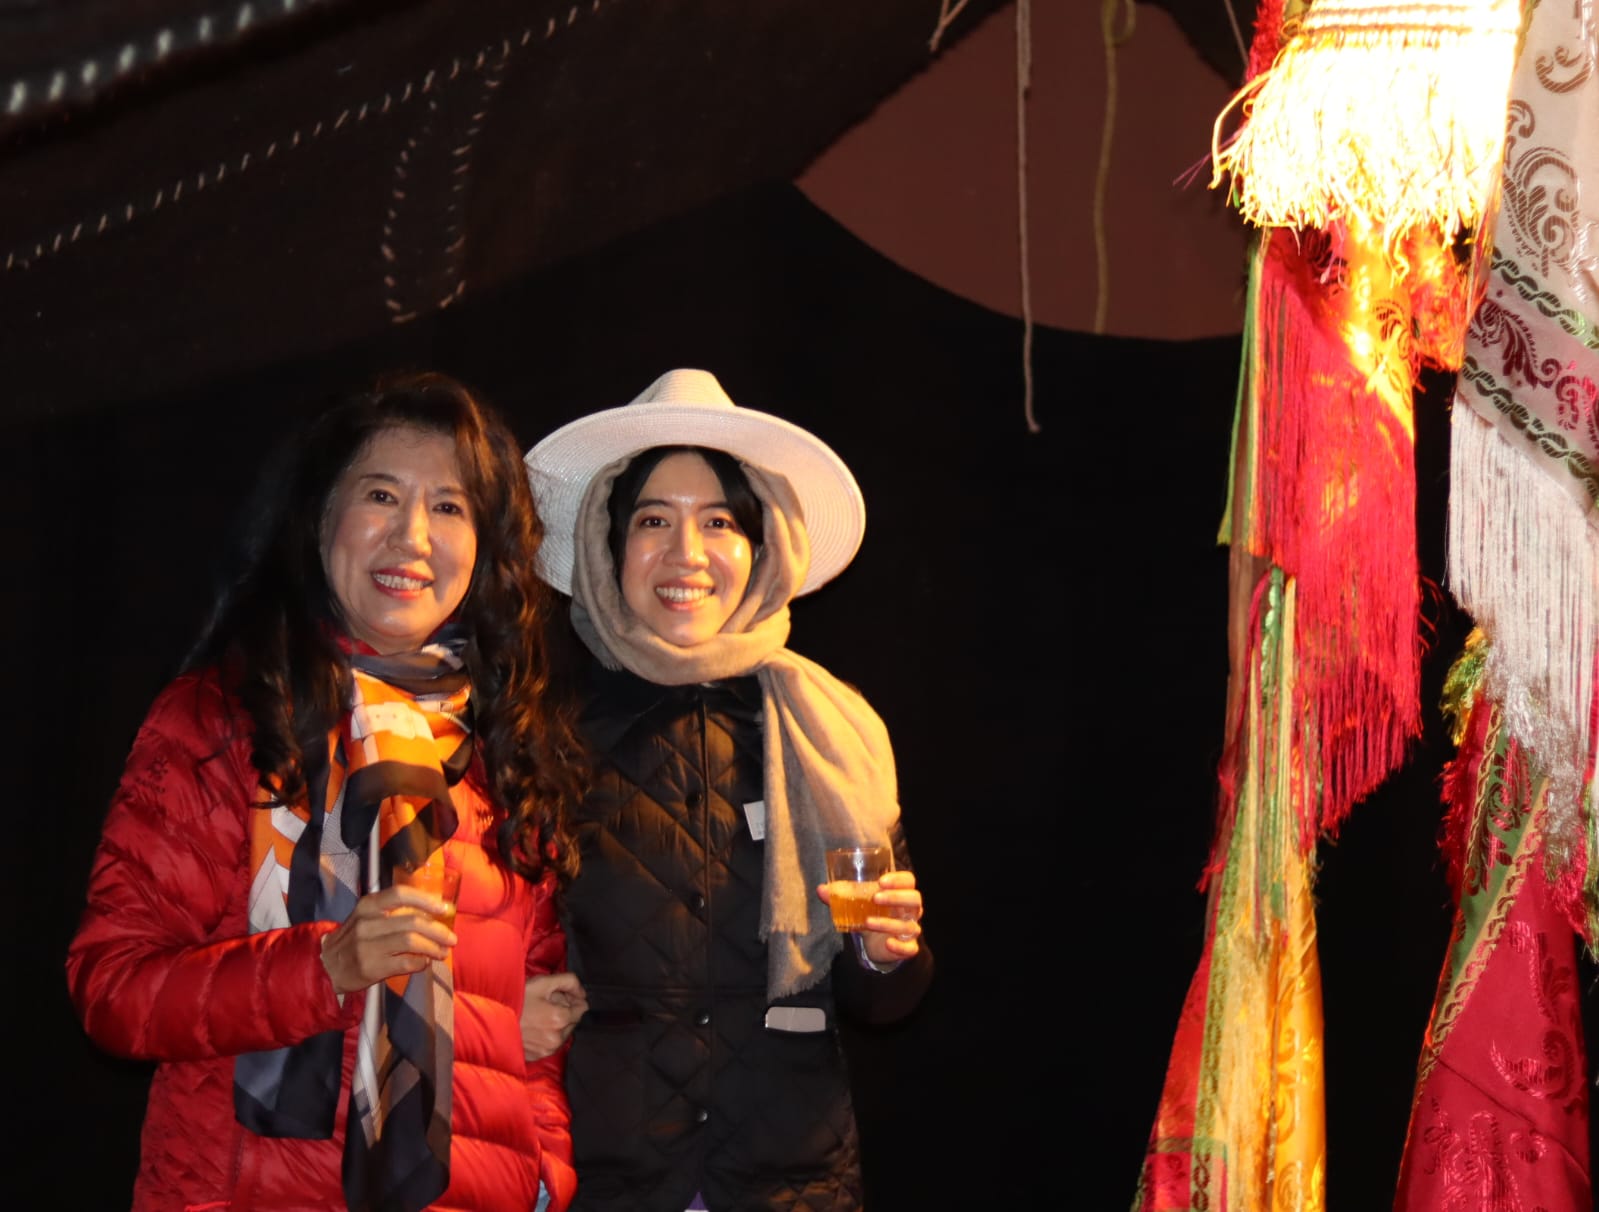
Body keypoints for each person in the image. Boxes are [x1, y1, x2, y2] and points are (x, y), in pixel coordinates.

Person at [66, 372, 587, 1212]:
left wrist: (543, 1180)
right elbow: (113, 989)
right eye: (382, 495)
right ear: (318, 521)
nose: (413, 535)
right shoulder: (223, 722)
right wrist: (324, 967)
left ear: (488, 548)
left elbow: (537, 1030)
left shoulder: (502, 754)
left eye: (450, 507)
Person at [522, 368, 933, 1211]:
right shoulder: (535, 726)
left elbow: (879, 999)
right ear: (607, 543)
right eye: (651, 521)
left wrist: (884, 952)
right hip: (594, 1179)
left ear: (762, 543)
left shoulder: (833, 731)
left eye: (718, 521)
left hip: (791, 1183)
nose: (686, 554)